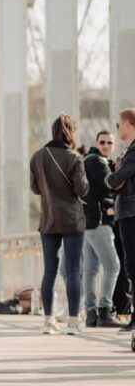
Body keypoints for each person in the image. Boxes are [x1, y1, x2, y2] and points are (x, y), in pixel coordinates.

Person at [30, 114, 89, 335]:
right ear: (71, 133)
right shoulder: (74, 158)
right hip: (72, 220)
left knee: (49, 271)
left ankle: (48, 321)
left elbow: (35, 188)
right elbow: (81, 189)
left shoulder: (37, 157)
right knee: (73, 271)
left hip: (48, 220)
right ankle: (73, 322)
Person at [82, 131, 125, 327]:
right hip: (99, 222)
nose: (106, 146)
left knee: (91, 270)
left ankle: (91, 314)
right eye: (102, 142)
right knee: (113, 266)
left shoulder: (88, 160)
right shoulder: (98, 161)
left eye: (109, 143)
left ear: (113, 145)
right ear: (96, 143)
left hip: (87, 223)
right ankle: (105, 312)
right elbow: (112, 184)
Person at [106, 108, 135, 333]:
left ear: (128, 125)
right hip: (128, 212)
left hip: (130, 213)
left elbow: (115, 180)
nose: (118, 129)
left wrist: (111, 176)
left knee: (132, 266)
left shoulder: (132, 153)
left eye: (119, 125)